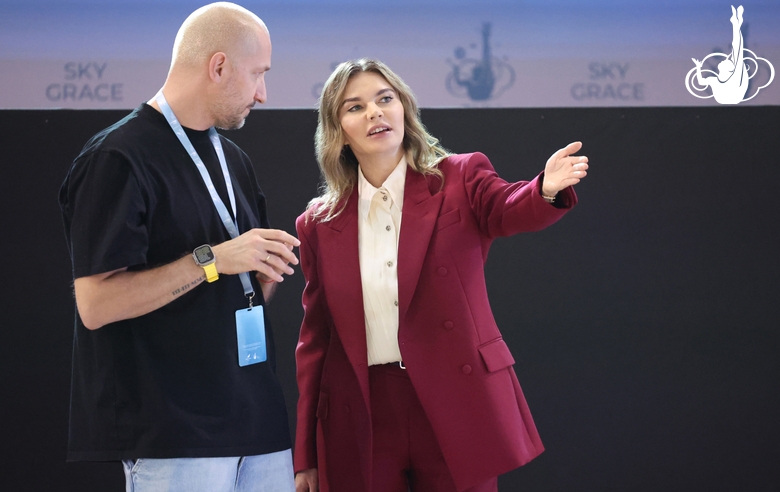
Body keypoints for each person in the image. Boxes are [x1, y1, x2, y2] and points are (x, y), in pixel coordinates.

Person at [293, 58, 589, 492]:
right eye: (354, 107)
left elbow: (508, 209)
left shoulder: (460, 176)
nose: (374, 112)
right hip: (363, 410)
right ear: (337, 131)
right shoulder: (318, 221)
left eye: (385, 99)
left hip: (456, 396)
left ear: (404, 109)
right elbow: (315, 342)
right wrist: (306, 454)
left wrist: (544, 188)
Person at [58, 3, 299, 491]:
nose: (264, 94)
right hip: (173, 437)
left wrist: (262, 275)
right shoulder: (117, 157)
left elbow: (236, 292)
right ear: (218, 66)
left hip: (258, 427)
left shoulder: (233, 157)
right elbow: (96, 304)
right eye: (258, 75)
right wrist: (212, 260)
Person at [692, 5, 748, 104]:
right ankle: (736, 24)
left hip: (732, 96)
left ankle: (736, 24)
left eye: (726, 61)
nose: (724, 59)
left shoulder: (725, 79)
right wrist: (698, 67)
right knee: (738, 52)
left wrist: (698, 67)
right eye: (727, 61)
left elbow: (738, 49)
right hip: (729, 96)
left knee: (737, 52)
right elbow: (701, 82)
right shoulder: (717, 80)